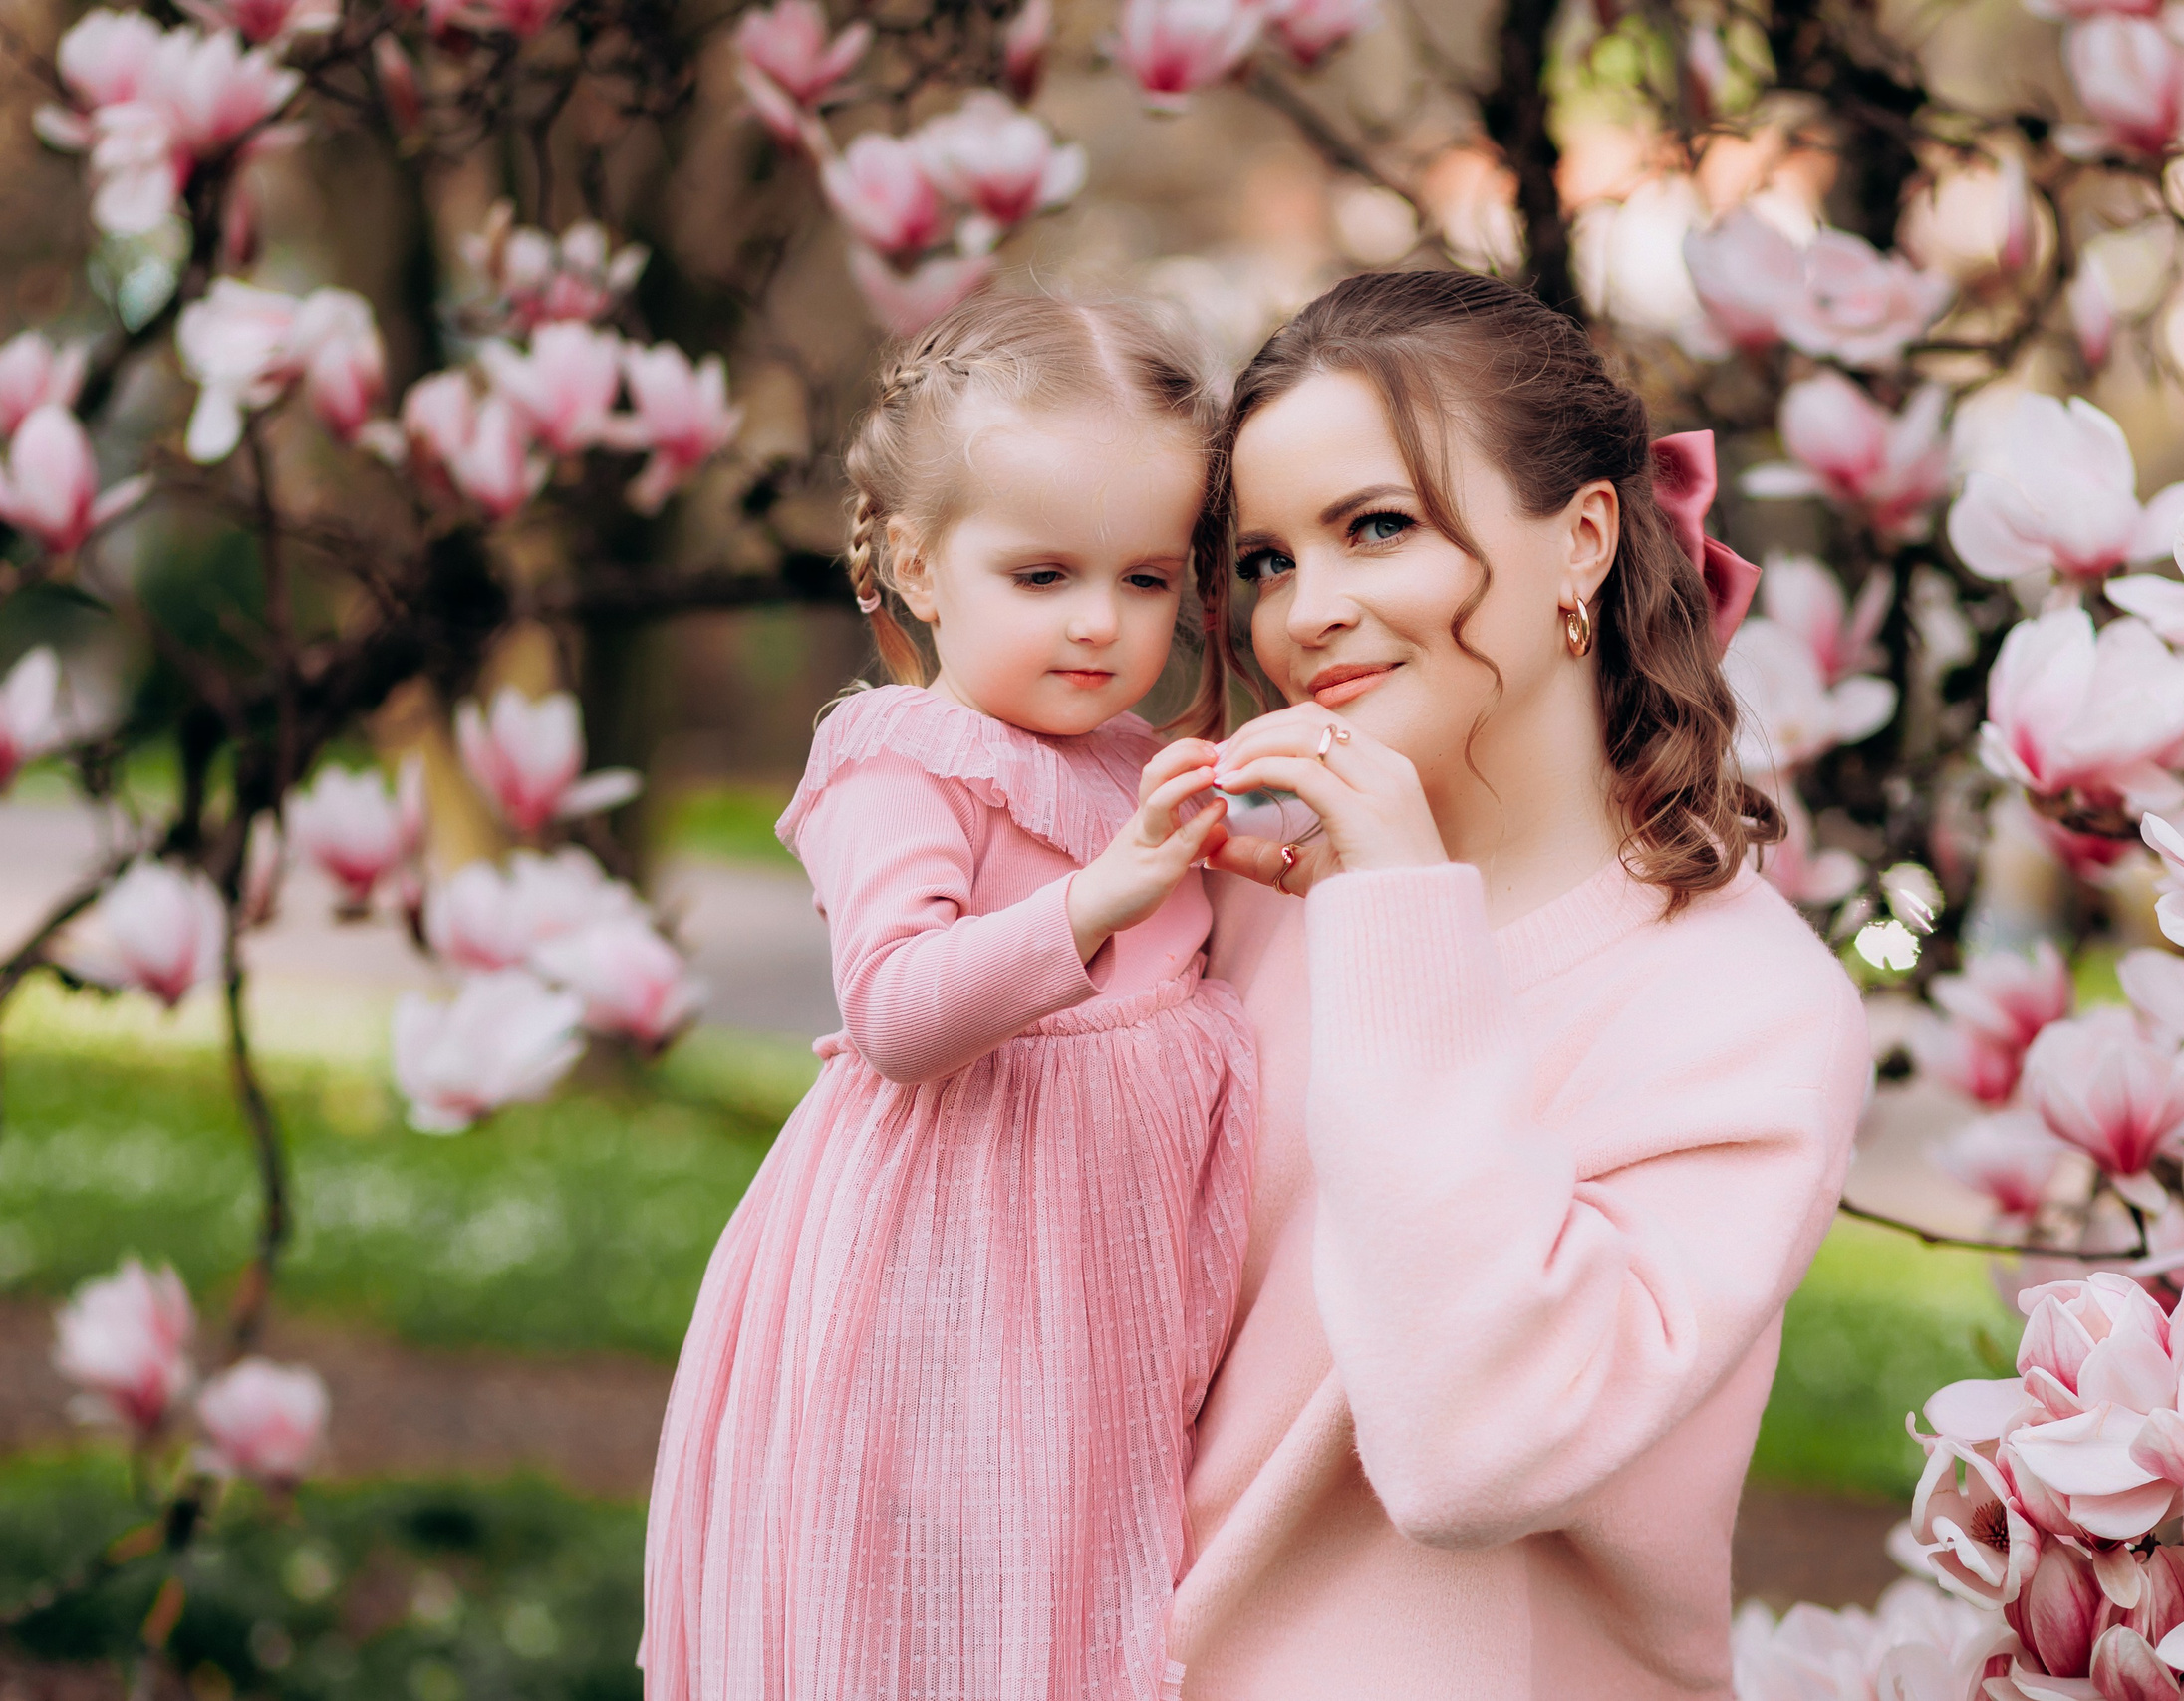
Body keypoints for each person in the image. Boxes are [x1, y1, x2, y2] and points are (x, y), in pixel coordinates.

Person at [1156, 270, 1871, 1696]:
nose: (1307, 612)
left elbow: (1469, 1453)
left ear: (1584, 539)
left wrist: (1396, 919)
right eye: (1268, 562)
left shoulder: (1748, 1011)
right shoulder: (1226, 905)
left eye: (1377, 527)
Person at [640, 293, 1255, 1701]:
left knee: (1084, 1579)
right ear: (917, 563)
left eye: (1146, 579)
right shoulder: (904, 758)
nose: (1100, 623)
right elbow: (895, 1010)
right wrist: (1097, 900)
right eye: (1041, 575)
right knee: (947, 1600)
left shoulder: (1128, 755)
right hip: (949, 1268)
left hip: (1106, 1280)